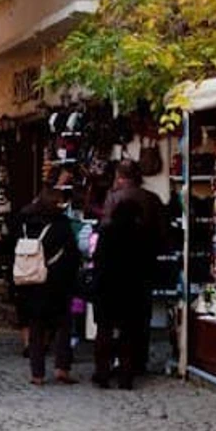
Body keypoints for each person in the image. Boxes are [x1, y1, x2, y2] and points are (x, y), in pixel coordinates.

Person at [99, 159, 165, 377]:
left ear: (120, 177)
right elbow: (162, 233)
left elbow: (104, 233)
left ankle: (106, 366)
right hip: (142, 267)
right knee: (138, 319)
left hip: (112, 273)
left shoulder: (113, 199)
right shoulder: (152, 199)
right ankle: (137, 362)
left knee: (108, 324)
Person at [15, 185, 80, 386]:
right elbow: (72, 254)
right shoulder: (61, 225)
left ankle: (37, 373)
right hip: (57, 281)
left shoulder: (25, 222)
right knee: (63, 325)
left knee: (36, 327)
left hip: (30, 280)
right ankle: (61, 367)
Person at [92, 197, 149, 389]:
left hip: (107, 288)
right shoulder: (140, 234)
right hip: (132, 289)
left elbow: (98, 260)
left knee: (104, 332)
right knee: (128, 334)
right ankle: (126, 376)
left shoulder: (106, 232)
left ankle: (102, 374)